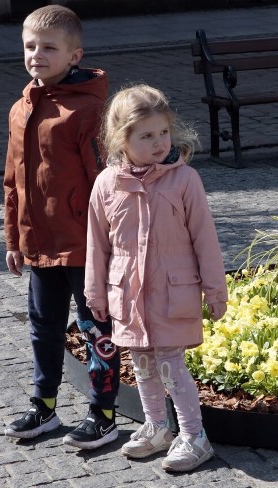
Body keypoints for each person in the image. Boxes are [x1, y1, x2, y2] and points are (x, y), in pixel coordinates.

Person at [85, 84, 228, 472]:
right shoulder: (106, 185)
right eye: (146, 136)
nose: (159, 142)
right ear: (121, 139)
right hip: (128, 297)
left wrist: (216, 291)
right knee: (142, 365)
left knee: (171, 365)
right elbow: (97, 245)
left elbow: (205, 240)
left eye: (163, 132)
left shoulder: (185, 181)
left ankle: (194, 435)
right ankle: (157, 427)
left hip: (172, 293)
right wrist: (94, 292)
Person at [2, 5, 120, 450]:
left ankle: (103, 413)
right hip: (39, 243)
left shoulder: (89, 110)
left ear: (75, 55)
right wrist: (15, 238)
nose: (36, 54)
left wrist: (111, 243)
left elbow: (106, 182)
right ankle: (44, 405)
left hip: (85, 245)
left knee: (95, 328)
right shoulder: (20, 108)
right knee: (42, 326)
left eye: (48, 47)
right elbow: (12, 179)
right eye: (30, 46)